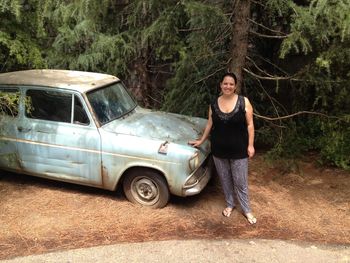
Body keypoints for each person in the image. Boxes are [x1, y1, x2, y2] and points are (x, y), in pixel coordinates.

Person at [189, 72, 257, 224]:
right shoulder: (214, 103)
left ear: (235, 86)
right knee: (225, 180)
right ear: (221, 85)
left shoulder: (243, 102)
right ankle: (230, 204)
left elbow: (250, 125)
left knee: (240, 182)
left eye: (231, 84)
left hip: (239, 150)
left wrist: (251, 145)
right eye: (225, 83)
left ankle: (247, 210)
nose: (228, 86)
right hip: (219, 150)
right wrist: (201, 141)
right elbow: (209, 124)